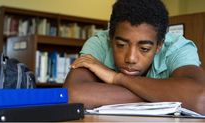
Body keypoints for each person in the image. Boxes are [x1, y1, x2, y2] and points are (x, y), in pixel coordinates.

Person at [63, 0, 205, 114]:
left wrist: (117, 78)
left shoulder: (178, 47)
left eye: (144, 49)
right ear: (111, 39)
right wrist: (164, 95)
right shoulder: (99, 42)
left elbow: (201, 99)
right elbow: (72, 95)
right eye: (121, 45)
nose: (130, 58)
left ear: (159, 45)